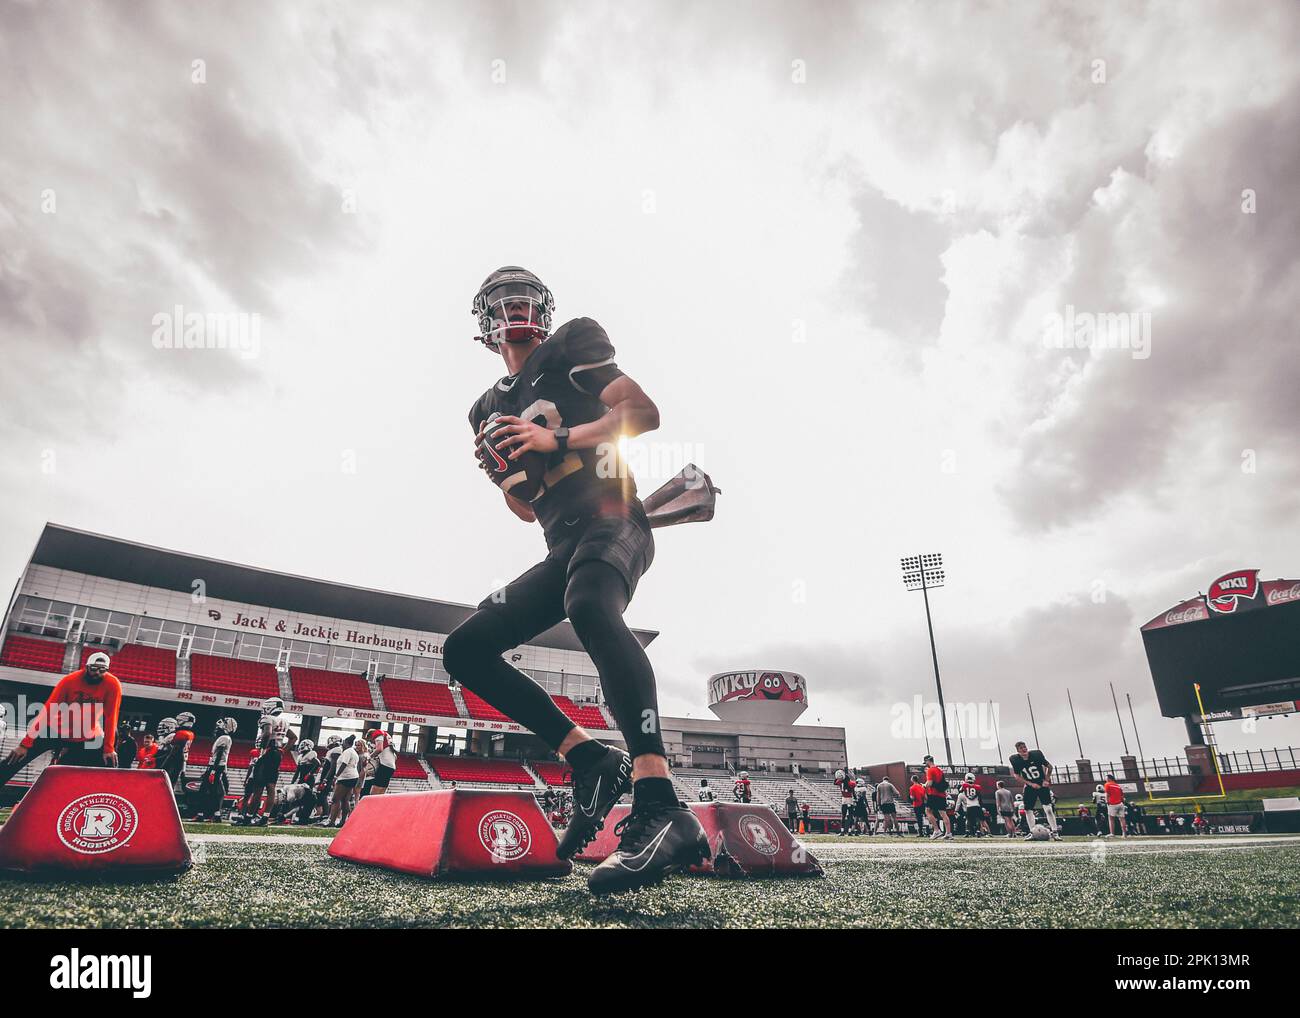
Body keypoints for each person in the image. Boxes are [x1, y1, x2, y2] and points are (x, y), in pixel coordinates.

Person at [443, 266, 707, 895]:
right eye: (503, 303)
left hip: (616, 518)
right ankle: (589, 757)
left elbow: (642, 413)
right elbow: (525, 508)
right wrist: (505, 476)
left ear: (543, 308)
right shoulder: (484, 408)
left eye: (525, 300)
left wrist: (554, 435)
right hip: (560, 542)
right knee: (466, 648)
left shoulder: (572, 342)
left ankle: (660, 803)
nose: (516, 310)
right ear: (485, 323)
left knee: (588, 604)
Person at [0, 651, 121, 789]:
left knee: (108, 761)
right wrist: (25, 744)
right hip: (55, 730)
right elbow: (48, 710)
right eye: (94, 669)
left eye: (102, 670)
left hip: (86, 737)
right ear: (86, 667)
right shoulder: (70, 681)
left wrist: (109, 748)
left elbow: (111, 717)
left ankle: (96, 795)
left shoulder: (113, 684)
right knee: (16, 758)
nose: (97, 673)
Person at [1010, 741, 1060, 840]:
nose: (1024, 749)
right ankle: (1032, 832)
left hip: (1041, 784)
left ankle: (1055, 832)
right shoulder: (1015, 759)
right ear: (1018, 751)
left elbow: (1049, 767)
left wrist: (1046, 779)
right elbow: (1016, 775)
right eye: (1021, 748)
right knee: (1028, 810)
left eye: (1024, 747)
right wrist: (1030, 784)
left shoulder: (1036, 755)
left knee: (1048, 809)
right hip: (1030, 786)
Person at [194, 717, 237, 822]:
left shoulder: (224, 738)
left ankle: (215, 815)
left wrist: (213, 770)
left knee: (211, 791)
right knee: (206, 790)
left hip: (216, 767)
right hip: (215, 766)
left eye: (220, 727)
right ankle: (205, 814)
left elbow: (220, 754)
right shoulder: (223, 737)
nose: (217, 729)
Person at [328, 737, 364, 828]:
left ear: (346, 743)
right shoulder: (353, 752)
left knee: (335, 799)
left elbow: (344, 763)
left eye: (343, 743)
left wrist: (336, 776)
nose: (342, 745)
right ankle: (343, 821)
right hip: (353, 777)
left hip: (345, 777)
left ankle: (332, 821)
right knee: (345, 800)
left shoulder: (347, 752)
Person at [922, 755, 952, 840]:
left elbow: (929, 783)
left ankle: (936, 830)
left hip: (933, 794)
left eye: (926, 762)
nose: (926, 764)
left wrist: (924, 785)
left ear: (928, 761)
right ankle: (948, 833)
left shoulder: (930, 770)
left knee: (928, 811)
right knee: (943, 814)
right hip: (941, 794)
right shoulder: (939, 770)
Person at [956, 773, 983, 838]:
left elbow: (960, 790)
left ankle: (967, 831)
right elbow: (979, 796)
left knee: (968, 819)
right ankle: (978, 831)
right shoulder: (978, 786)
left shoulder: (964, 785)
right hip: (976, 804)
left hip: (969, 805)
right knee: (977, 819)